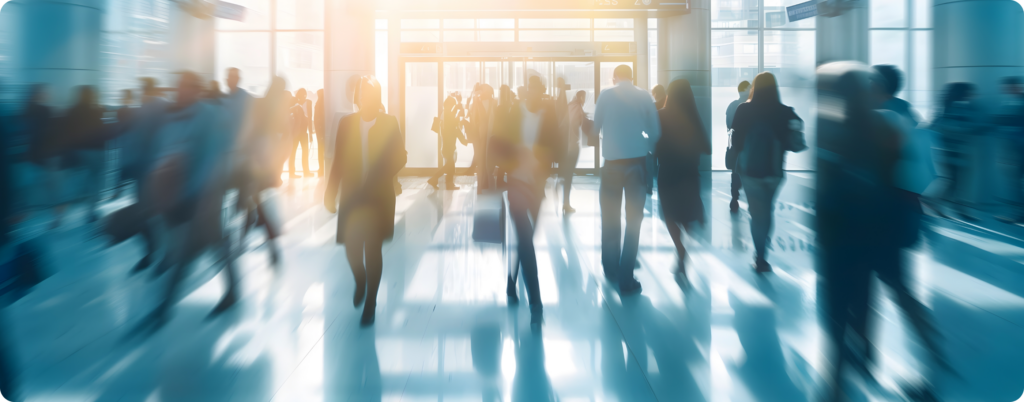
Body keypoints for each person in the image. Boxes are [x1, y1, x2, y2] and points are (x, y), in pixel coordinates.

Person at [324, 76, 407, 326]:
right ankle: (360, 279)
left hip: (378, 198)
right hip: (352, 196)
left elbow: (401, 156)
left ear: (377, 98)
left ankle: (370, 302)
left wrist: (382, 173)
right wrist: (330, 191)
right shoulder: (346, 123)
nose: (364, 99)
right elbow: (338, 159)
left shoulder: (389, 123)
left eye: (369, 95)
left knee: (372, 250)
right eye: (361, 95)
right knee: (351, 248)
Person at [492, 75, 565, 324]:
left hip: (537, 185)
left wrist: (544, 157)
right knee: (525, 238)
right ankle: (536, 301)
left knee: (527, 241)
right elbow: (497, 144)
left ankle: (512, 281)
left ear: (542, 92)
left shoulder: (549, 116)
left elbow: (559, 148)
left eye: (537, 91)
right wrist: (515, 154)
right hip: (515, 183)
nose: (532, 95)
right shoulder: (513, 113)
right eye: (529, 90)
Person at [593, 64, 661, 294]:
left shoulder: (605, 95)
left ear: (614, 78)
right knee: (634, 222)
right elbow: (655, 132)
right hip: (637, 165)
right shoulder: (644, 96)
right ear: (632, 77)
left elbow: (594, 129)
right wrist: (644, 145)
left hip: (611, 165)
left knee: (610, 220)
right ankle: (626, 277)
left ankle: (610, 268)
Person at [731, 72, 805, 273]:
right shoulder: (784, 111)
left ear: (754, 88)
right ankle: (763, 252)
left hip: (750, 170)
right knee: (767, 210)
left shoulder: (744, 109)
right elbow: (795, 141)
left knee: (757, 214)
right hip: (774, 171)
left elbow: (736, 141)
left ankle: (760, 257)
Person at [655, 79, 709, 278]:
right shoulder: (693, 117)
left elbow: (650, 139)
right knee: (686, 215)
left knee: (669, 214)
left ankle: (680, 249)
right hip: (689, 173)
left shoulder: (660, 115)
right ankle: (684, 243)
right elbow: (707, 147)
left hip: (667, 172)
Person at [930, 82, 985, 221]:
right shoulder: (959, 107)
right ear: (964, 94)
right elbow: (960, 127)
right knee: (955, 181)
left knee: (953, 181)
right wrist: (976, 128)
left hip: (947, 150)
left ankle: (942, 205)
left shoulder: (947, 107)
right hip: (956, 151)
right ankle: (937, 203)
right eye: (971, 92)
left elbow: (935, 125)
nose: (974, 95)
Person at [63, 86, 106, 223]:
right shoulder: (97, 110)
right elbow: (101, 128)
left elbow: (67, 130)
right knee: (96, 180)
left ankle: (60, 214)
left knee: (76, 179)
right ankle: (91, 211)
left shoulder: (71, 110)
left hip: (78, 150)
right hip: (95, 150)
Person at [994, 77, 1024, 223]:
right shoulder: (1008, 103)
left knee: (1015, 182)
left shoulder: (1015, 103)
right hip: (1013, 149)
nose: (1006, 91)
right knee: (1015, 182)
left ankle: (1017, 214)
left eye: (1008, 87)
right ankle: (1018, 213)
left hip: (1017, 149)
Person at [428, 94, 468, 190]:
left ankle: (446, 183)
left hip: (447, 143)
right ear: (449, 105)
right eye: (452, 105)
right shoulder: (447, 114)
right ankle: (436, 179)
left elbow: (451, 122)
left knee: (450, 165)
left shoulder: (445, 113)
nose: (453, 107)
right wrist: (458, 116)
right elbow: (452, 126)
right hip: (448, 144)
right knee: (450, 165)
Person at [726, 80, 751, 212]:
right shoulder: (750, 106)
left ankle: (734, 199)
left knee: (735, 172)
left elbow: (729, 126)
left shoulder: (732, 106)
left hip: (735, 144)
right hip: (748, 146)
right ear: (745, 90)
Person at [561, 90, 586, 214]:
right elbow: (577, 124)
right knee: (568, 175)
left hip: (565, 146)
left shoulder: (570, 106)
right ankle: (566, 203)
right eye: (584, 97)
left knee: (567, 175)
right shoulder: (577, 108)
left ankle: (565, 202)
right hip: (572, 146)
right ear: (581, 97)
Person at [287, 88, 313, 177]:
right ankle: (291, 173)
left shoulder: (308, 103)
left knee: (305, 152)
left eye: (305, 96)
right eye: (302, 96)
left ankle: (306, 172)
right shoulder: (294, 102)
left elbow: (310, 118)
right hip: (295, 132)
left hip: (304, 131)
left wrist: (310, 133)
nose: (304, 98)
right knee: (293, 152)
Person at [315, 88, 327, 176]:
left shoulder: (318, 104)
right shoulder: (321, 104)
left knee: (320, 150)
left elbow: (316, 119)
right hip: (322, 130)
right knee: (322, 150)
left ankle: (321, 169)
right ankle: (322, 169)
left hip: (320, 131)